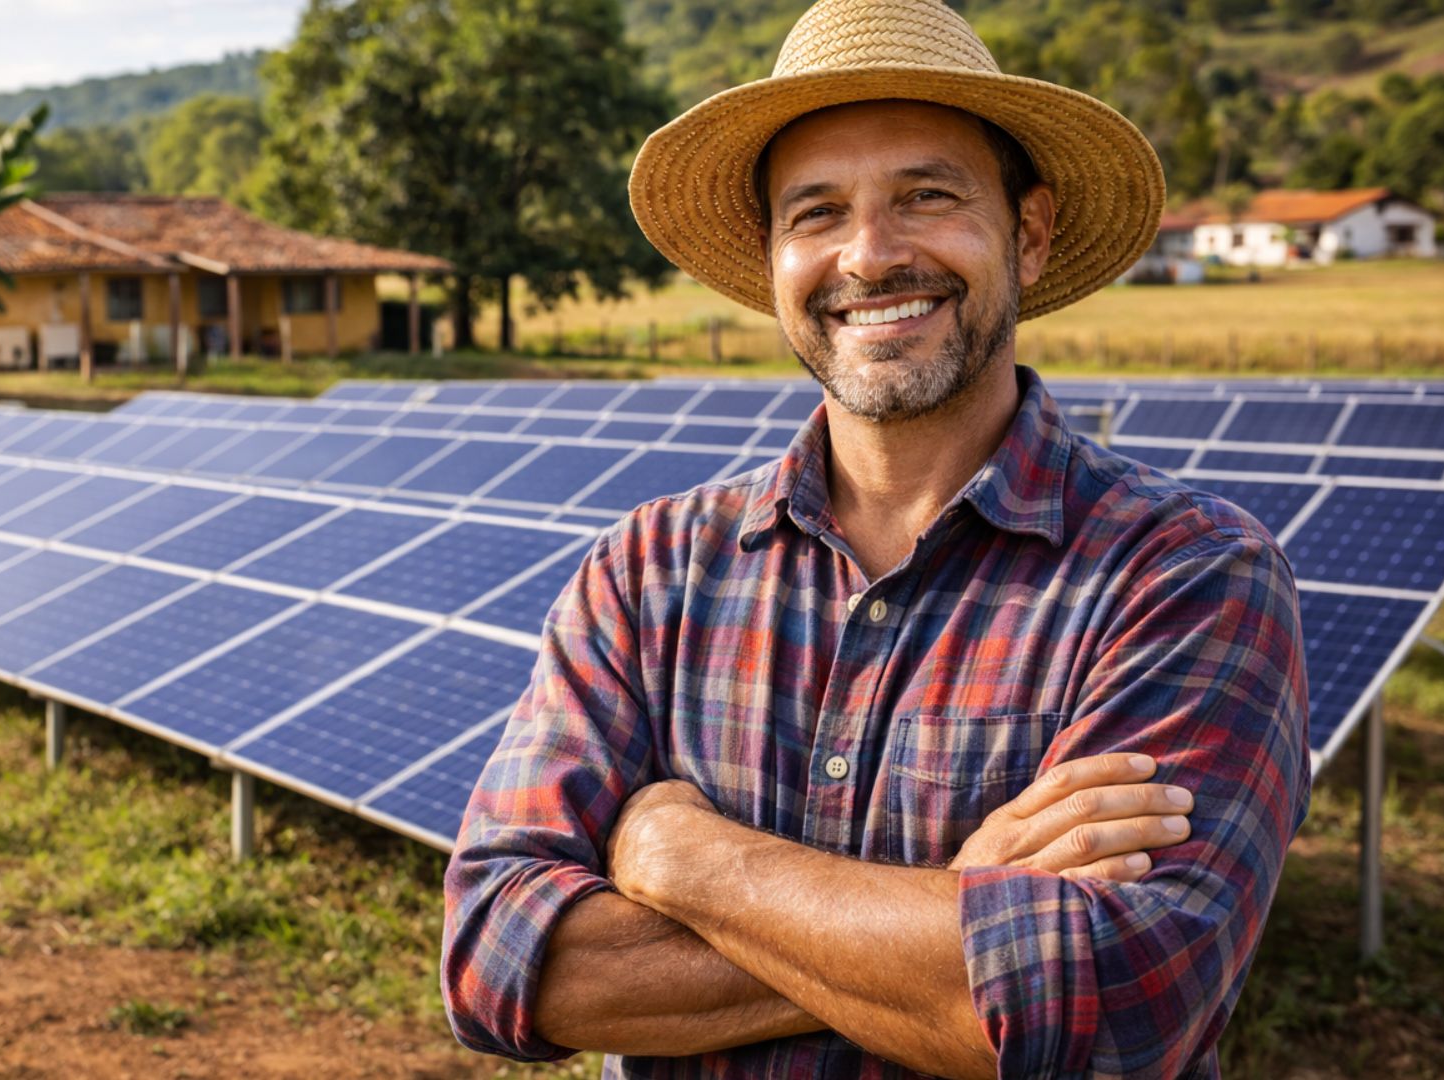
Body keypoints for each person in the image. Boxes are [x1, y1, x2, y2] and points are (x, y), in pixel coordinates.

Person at [439, 1, 1310, 1077]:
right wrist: (960, 905)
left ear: (1027, 233)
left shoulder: (1185, 575)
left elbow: (1113, 1016)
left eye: (927, 197)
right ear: (771, 260)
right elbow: (499, 962)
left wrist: (693, 863)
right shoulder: (650, 571)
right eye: (816, 213)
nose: (870, 255)